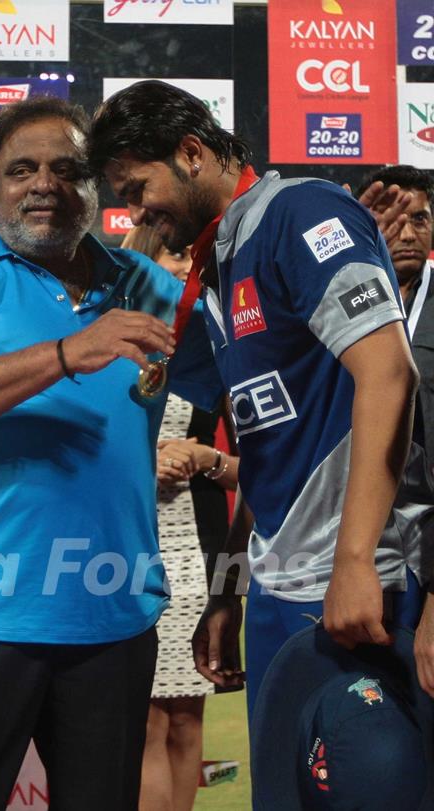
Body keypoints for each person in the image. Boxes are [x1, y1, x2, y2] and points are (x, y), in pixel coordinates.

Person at [0, 96, 220, 811]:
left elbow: (254, 376)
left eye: (68, 169)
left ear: (98, 187)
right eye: (22, 169)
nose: (45, 184)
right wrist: (69, 352)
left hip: (114, 617)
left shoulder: (154, 290)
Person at [88, 80, 427, 729]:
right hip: (280, 592)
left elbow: (389, 372)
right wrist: (229, 587)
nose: (138, 214)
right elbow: (266, 447)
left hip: (357, 588)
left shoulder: (298, 211)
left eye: (137, 190)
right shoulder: (220, 263)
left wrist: (355, 561)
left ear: (191, 152)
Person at [121, 224, 238, 811]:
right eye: (171, 253)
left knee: (188, 721)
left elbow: (257, 468)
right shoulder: (104, 345)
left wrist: (206, 457)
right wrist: (143, 464)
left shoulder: (219, 348)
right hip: (120, 552)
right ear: (141, 256)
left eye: (192, 258)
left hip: (196, 553)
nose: (181, 267)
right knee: (141, 724)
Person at [354, 166, 434, 699]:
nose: (407, 234)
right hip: (361, 562)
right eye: (391, 221)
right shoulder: (335, 315)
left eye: (421, 219)